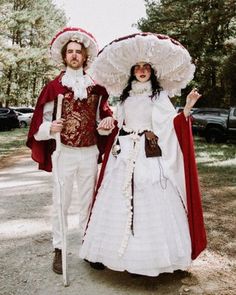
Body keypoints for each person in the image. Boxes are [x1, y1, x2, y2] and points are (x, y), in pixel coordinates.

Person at [79, 33, 207, 277]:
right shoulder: (125, 98)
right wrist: (107, 124)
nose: (141, 71)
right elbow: (118, 124)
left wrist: (188, 107)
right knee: (117, 195)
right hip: (125, 151)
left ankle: (154, 259)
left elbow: (171, 124)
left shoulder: (159, 96)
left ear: (151, 71)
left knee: (149, 188)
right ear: (132, 73)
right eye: (137, 68)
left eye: (145, 67)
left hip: (149, 153)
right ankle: (108, 253)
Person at [26, 27, 114, 275]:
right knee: (61, 203)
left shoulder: (97, 88)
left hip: (88, 152)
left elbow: (102, 123)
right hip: (64, 152)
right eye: (70, 52)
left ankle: (89, 246)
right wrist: (49, 127)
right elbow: (39, 124)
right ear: (64, 56)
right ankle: (59, 248)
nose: (75, 55)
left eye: (79, 52)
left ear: (85, 56)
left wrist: (106, 126)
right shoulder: (54, 87)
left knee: (88, 203)